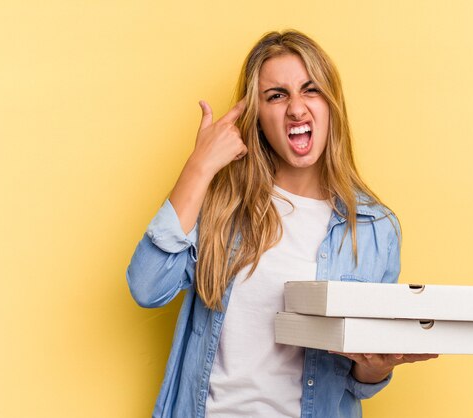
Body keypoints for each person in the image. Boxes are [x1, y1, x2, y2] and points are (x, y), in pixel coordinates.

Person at [127, 29, 437, 418]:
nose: (296, 108)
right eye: (277, 95)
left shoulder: (375, 229)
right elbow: (146, 285)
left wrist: (376, 367)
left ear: (331, 104)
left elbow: (358, 379)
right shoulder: (223, 207)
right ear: (257, 117)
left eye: (311, 90)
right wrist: (199, 166)